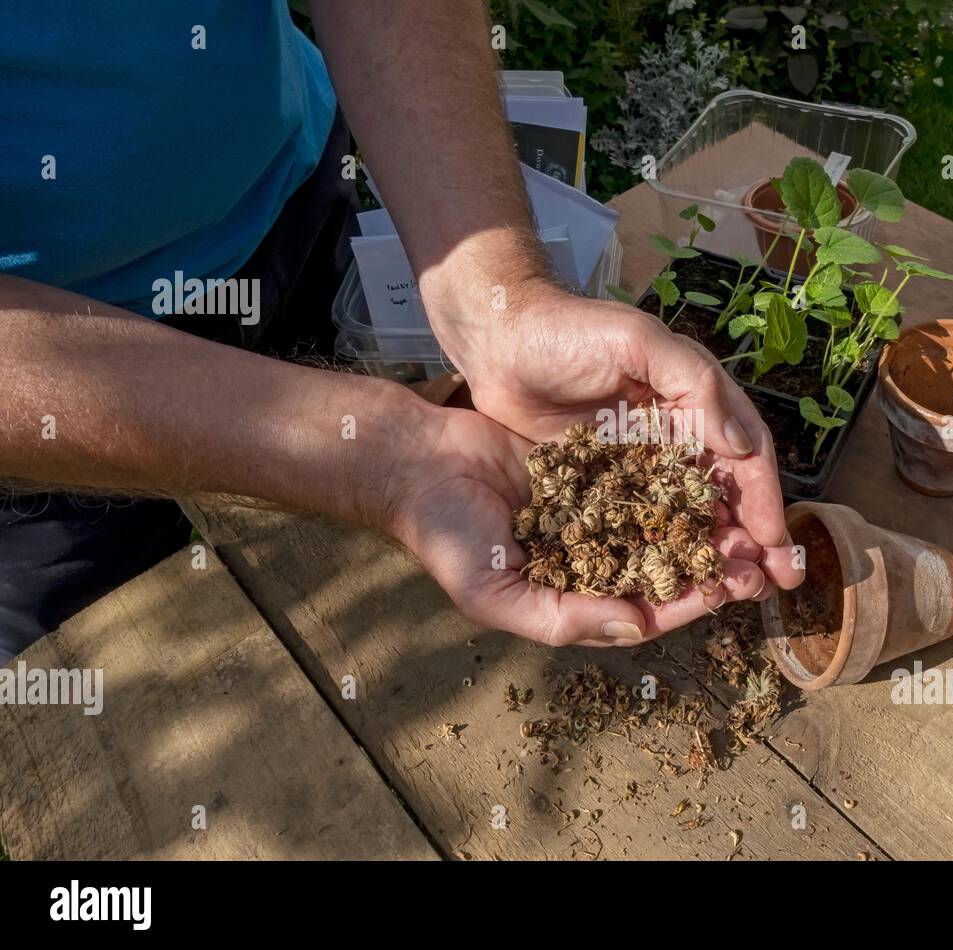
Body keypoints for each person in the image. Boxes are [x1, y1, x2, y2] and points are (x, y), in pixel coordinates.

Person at [0, 1, 803, 662]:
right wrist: (384, 459)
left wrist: (502, 301)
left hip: (291, 206)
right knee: (145, 677)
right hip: (49, 420)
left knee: (333, 617)